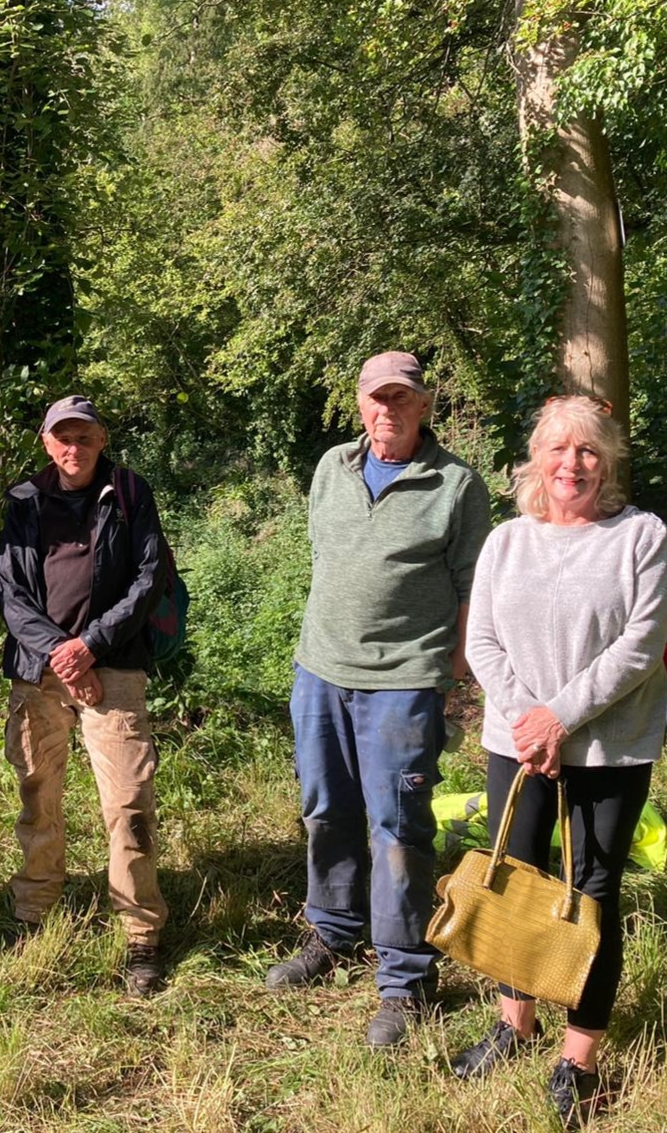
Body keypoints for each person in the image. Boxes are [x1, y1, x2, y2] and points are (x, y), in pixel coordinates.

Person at [453, 396, 667, 1128]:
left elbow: (640, 645)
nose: (570, 463)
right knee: (514, 877)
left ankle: (578, 1058)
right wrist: (528, 721)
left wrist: (560, 716)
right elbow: (480, 640)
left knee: (590, 892)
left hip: (609, 749)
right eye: (556, 449)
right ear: (534, 460)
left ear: (605, 461)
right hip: (517, 745)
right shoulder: (507, 541)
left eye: (586, 451)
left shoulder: (640, 536)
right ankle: (515, 1025)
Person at [267, 351, 492, 1046]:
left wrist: (445, 679)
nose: (387, 409)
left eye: (401, 397)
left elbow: (472, 594)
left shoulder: (455, 484)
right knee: (324, 806)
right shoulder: (330, 468)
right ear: (360, 404)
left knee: (397, 826)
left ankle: (404, 980)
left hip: (404, 678)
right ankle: (332, 931)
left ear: (424, 405)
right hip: (320, 670)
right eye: (376, 398)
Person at [0, 396, 169, 996]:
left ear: (101, 439)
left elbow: (151, 578)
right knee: (39, 794)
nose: (75, 448)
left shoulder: (129, 492)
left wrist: (90, 647)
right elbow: (12, 594)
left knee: (128, 803)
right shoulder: (23, 501)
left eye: (85, 437)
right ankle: (35, 911)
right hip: (39, 672)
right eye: (63, 437)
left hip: (112, 668)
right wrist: (63, 657)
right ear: (47, 442)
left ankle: (141, 934)